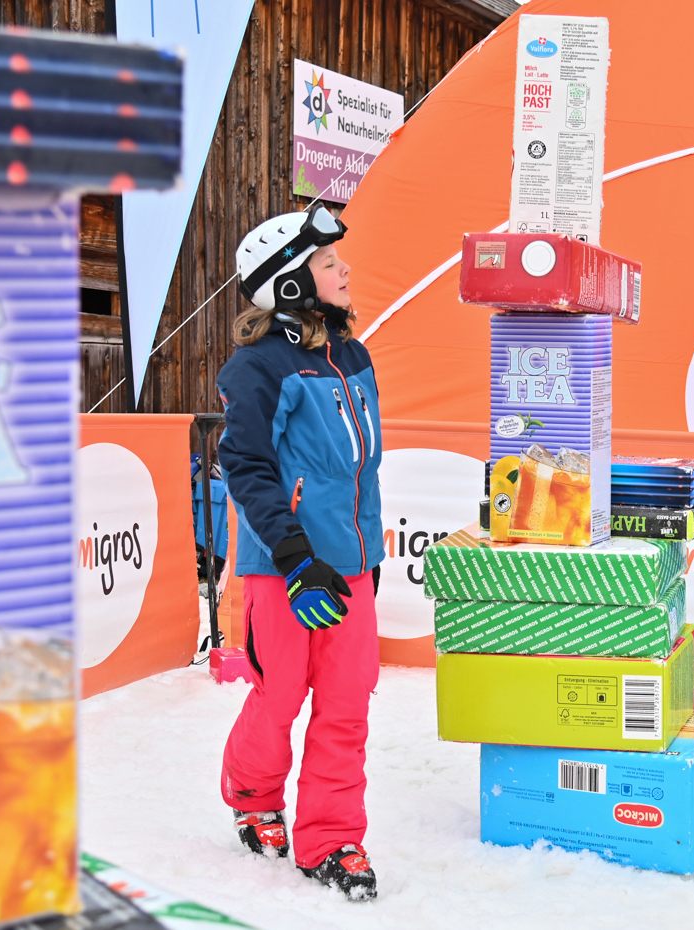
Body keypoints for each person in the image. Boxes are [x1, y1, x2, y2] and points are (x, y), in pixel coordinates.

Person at [214, 204, 383, 900]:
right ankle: (254, 796)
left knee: (346, 705)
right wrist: (293, 555)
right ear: (289, 283)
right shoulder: (258, 367)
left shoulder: (354, 356)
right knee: (279, 693)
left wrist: (366, 555)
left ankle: (332, 838)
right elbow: (246, 465)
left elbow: (361, 468)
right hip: (285, 570)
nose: (344, 271)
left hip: (349, 568)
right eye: (327, 263)